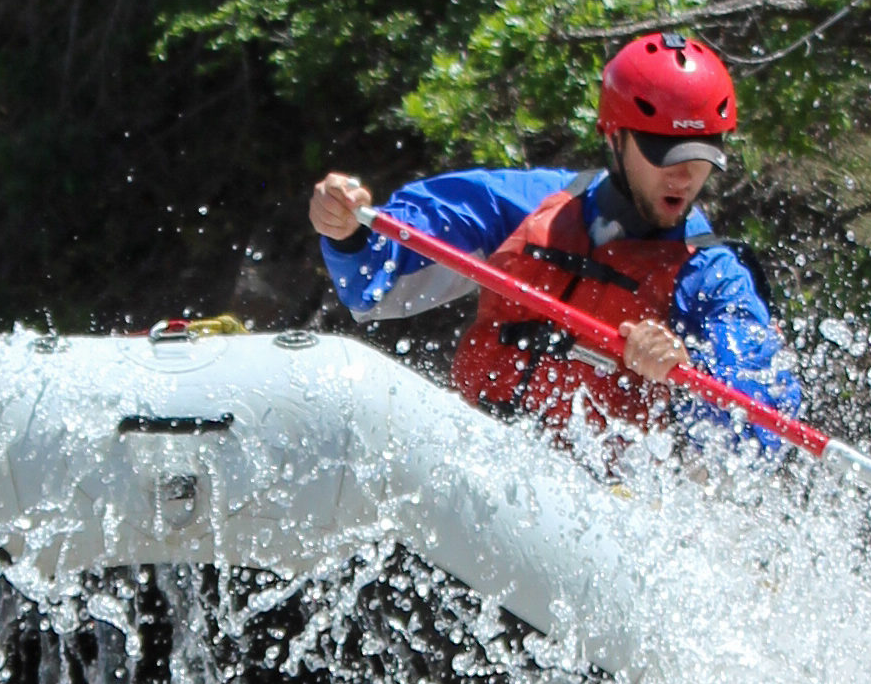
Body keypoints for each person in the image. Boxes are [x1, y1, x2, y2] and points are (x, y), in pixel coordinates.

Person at [305, 30, 801, 447]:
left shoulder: (711, 276)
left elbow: (761, 427)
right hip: (483, 447)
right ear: (615, 137)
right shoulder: (527, 205)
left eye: (700, 155)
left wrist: (686, 371)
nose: (683, 176)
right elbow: (373, 280)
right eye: (662, 152)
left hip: (604, 502)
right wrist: (348, 230)